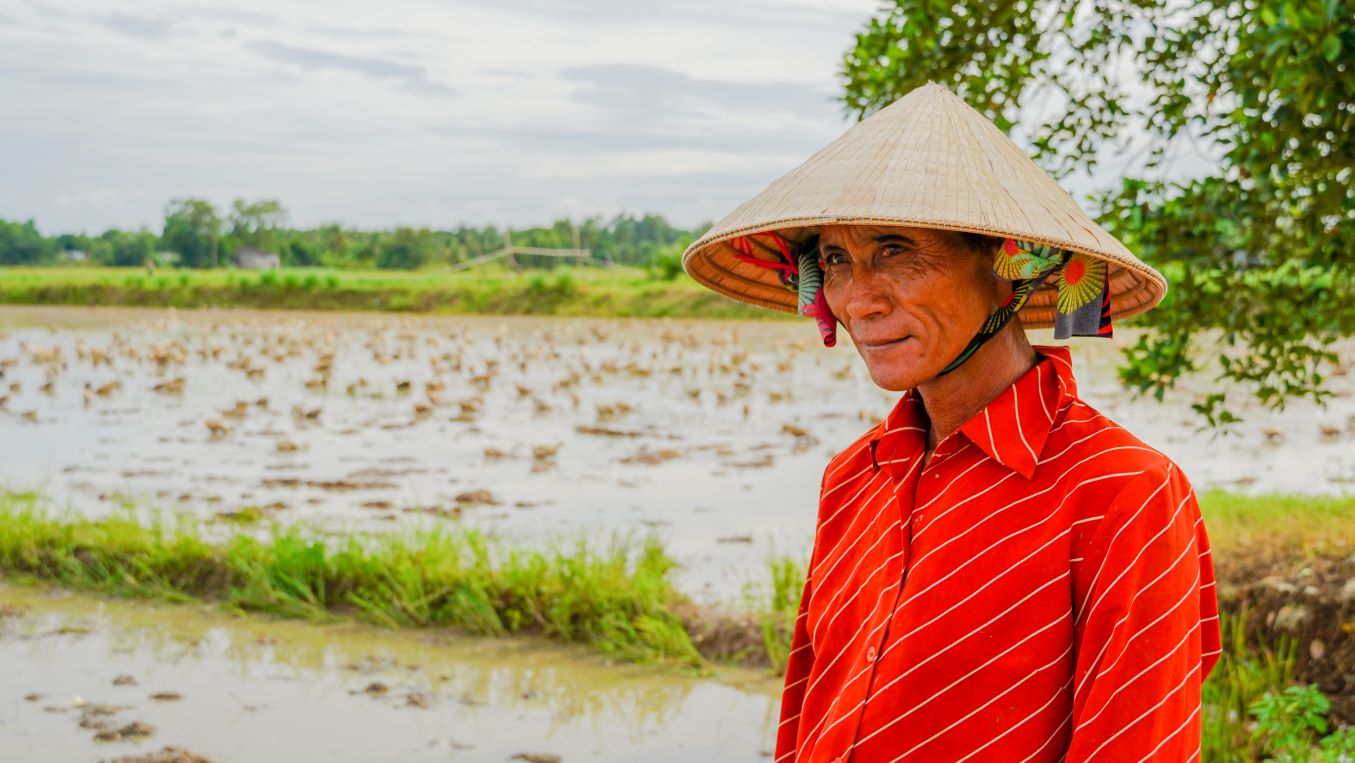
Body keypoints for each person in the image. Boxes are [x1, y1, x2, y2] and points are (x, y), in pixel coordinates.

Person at [680, 81, 1222, 761]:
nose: (857, 300)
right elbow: (806, 711)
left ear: (1009, 266)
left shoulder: (1123, 492)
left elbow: (1138, 746)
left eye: (895, 250)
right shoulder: (855, 476)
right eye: (837, 261)